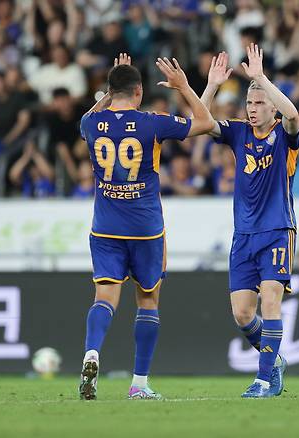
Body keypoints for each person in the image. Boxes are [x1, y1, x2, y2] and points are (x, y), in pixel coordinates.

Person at [78, 53, 215, 401]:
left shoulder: (91, 125)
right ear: (139, 91)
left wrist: (110, 90)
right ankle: (139, 383)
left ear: (110, 91)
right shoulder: (152, 122)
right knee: (148, 301)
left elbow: (88, 116)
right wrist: (184, 86)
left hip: (105, 227)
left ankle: (92, 352)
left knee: (104, 297)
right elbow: (204, 121)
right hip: (145, 229)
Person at [200, 47, 299, 398]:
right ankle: (274, 362)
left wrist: (261, 79)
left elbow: (293, 115)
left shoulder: (285, 137)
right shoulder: (238, 133)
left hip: (276, 230)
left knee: (271, 301)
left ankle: (262, 380)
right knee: (243, 315)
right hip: (243, 235)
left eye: (260, 103)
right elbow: (201, 121)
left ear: (271, 107)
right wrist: (212, 86)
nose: (253, 109)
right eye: (250, 103)